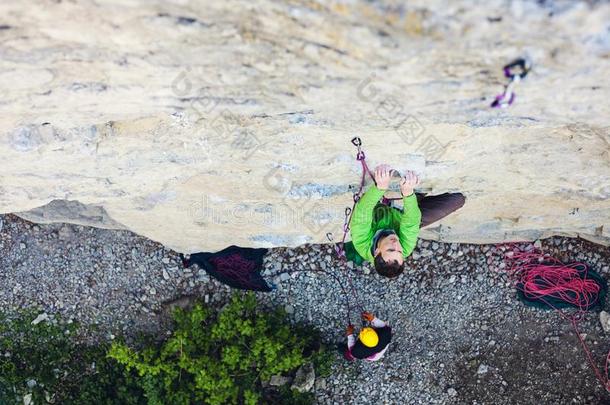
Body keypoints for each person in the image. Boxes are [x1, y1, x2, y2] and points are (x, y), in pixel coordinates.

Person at [348, 164, 465, 278]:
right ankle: (415, 196)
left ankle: (415, 196)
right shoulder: (405, 249)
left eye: (390, 249)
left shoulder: (361, 242)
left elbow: (363, 211)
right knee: (457, 200)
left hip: (378, 208)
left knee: (411, 194)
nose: (396, 244)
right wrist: (408, 193)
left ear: (377, 251)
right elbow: (411, 222)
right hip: (404, 218)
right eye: (399, 251)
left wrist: (380, 187)